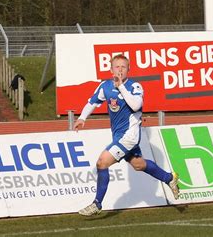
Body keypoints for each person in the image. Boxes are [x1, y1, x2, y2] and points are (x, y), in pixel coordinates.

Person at [75, 54, 179, 216]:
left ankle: (97, 203)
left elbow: (137, 105)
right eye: (117, 67)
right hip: (118, 135)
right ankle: (169, 178)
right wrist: (82, 118)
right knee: (139, 165)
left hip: (129, 136)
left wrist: (121, 87)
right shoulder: (105, 86)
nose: (120, 70)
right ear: (111, 70)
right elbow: (92, 102)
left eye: (123, 67)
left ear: (128, 70)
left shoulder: (134, 86)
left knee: (102, 163)